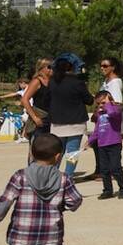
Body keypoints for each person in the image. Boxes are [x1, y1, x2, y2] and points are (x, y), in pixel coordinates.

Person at [42, 55, 91, 184]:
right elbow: (89, 100)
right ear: (72, 67)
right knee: (72, 153)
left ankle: (52, 177)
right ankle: (68, 178)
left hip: (57, 123)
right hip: (76, 123)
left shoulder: (52, 82)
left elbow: (46, 100)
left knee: (57, 152)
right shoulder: (77, 82)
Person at [91, 81, 123, 199]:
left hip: (114, 144)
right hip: (102, 145)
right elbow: (97, 129)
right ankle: (107, 190)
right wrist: (91, 140)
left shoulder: (116, 110)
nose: (101, 106)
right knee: (104, 169)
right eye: (99, 104)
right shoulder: (100, 114)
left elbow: (113, 113)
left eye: (103, 103)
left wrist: (109, 103)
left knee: (115, 167)